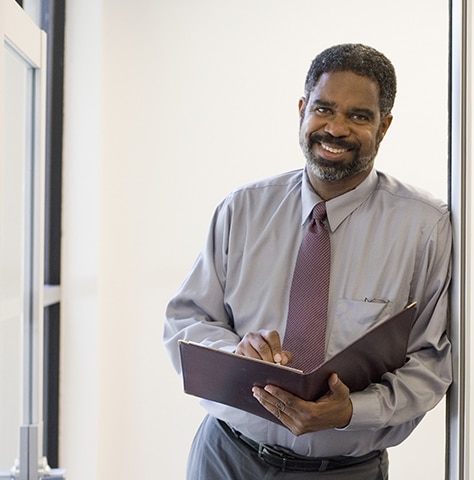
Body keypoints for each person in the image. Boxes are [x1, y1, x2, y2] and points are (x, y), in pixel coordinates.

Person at [163, 43, 453, 479]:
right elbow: (185, 323)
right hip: (227, 458)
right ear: (301, 110)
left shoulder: (426, 228)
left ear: (385, 126)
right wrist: (237, 355)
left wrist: (350, 409)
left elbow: (432, 362)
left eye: (359, 116)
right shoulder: (242, 210)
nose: (336, 128)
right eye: (324, 108)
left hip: (345, 470)